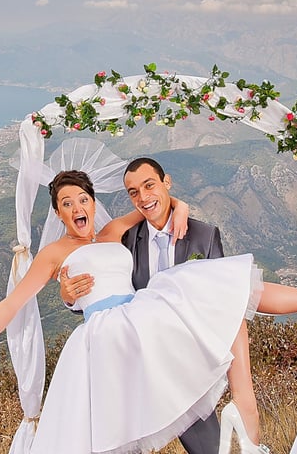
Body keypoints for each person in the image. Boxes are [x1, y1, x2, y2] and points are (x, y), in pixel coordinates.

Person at [0, 170, 297, 454]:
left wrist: (181, 205)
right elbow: (11, 305)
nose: (77, 208)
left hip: (140, 318)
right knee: (104, 435)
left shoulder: (114, 230)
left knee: (219, 285)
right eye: (67, 203)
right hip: (104, 340)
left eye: (82, 199)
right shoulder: (54, 253)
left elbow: (153, 205)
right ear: (58, 212)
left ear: (93, 203)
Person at [59, 156, 225, 454]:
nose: (142, 197)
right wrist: (70, 298)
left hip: (182, 362)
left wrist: (180, 206)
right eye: (133, 192)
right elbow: (101, 282)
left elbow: (223, 299)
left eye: (149, 186)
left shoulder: (204, 236)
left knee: (207, 447)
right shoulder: (124, 239)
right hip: (130, 358)